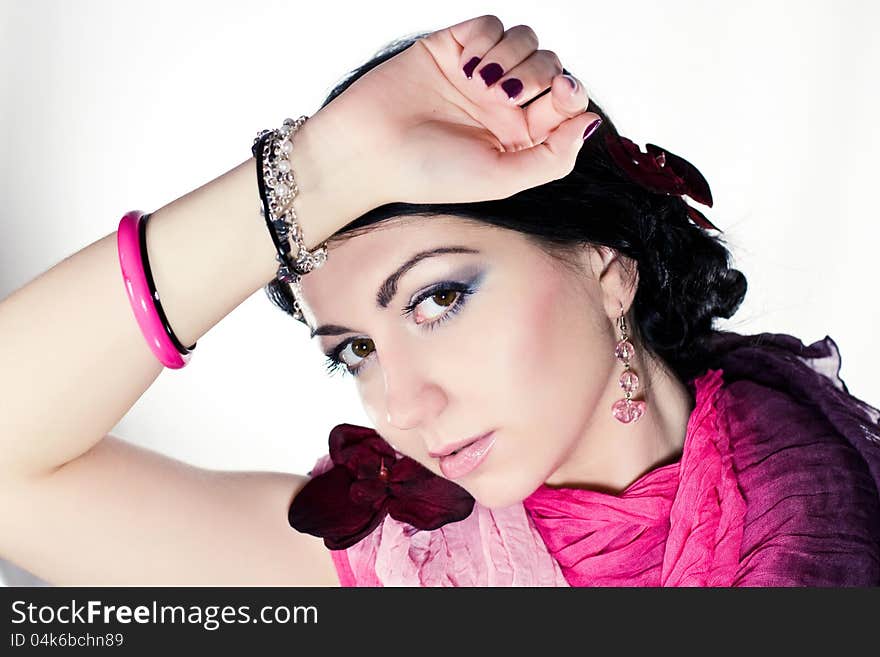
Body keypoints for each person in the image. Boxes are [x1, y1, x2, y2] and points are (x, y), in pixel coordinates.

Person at [0, 15, 877, 587]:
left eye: (436, 299)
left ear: (610, 267)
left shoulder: (826, 509)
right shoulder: (407, 568)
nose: (402, 408)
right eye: (355, 349)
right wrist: (315, 172)